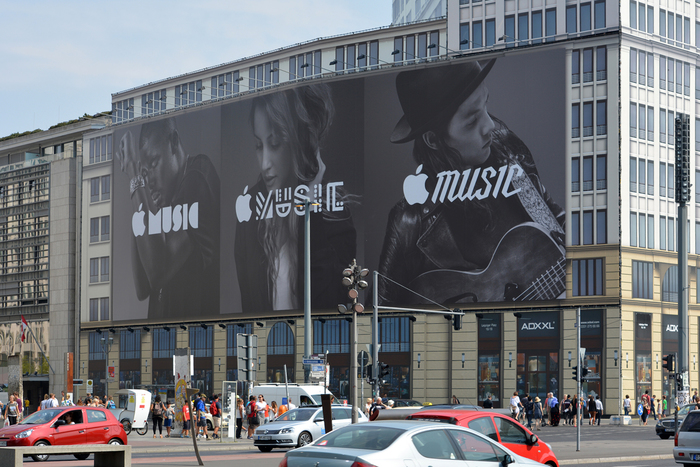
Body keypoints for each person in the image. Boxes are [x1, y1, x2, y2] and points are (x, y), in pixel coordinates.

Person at [378, 59, 565, 306]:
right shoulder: (410, 223)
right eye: (471, 121)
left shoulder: (509, 154)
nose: (489, 126)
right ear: (433, 139)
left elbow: (556, 224)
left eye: (485, 105)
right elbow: (379, 317)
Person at [235, 84, 356, 313]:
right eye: (259, 146)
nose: (264, 164)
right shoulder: (249, 209)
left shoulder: (332, 206)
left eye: (275, 144)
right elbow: (249, 310)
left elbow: (332, 306)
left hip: (316, 348)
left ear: (298, 140)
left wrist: (310, 209)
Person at [116, 117, 220, 320]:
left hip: (193, 341)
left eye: (153, 164)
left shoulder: (198, 175)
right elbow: (142, 287)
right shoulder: (166, 203)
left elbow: (156, 272)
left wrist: (136, 179)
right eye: (145, 173)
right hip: (162, 339)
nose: (149, 181)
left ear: (173, 142)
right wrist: (139, 191)